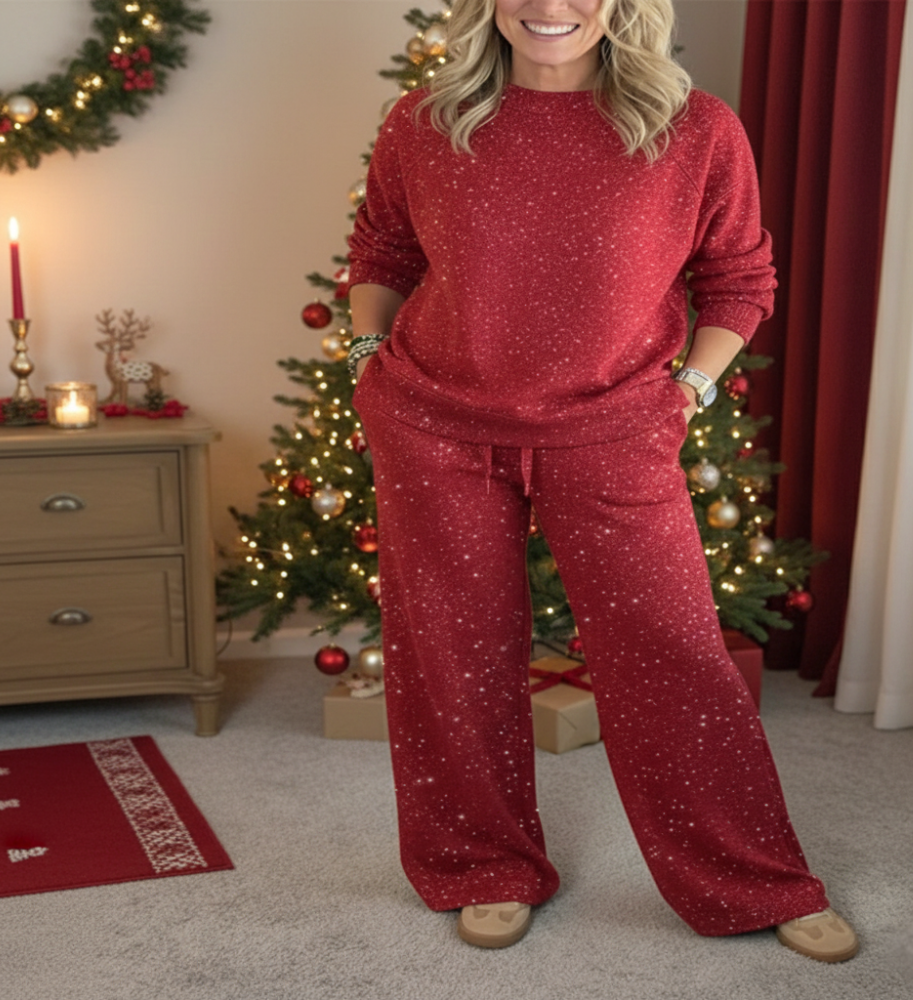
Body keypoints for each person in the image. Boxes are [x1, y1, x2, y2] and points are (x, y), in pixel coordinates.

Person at [346, 0, 858, 962]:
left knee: (673, 654)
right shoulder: (425, 121)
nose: (550, 7)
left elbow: (740, 278)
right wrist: (369, 360)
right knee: (451, 656)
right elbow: (382, 250)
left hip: (614, 429)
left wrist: (688, 390)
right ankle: (482, 866)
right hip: (435, 425)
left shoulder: (696, 129)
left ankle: (753, 879)